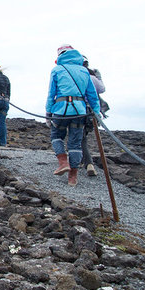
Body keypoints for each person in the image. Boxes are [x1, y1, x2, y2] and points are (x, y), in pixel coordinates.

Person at [46, 44, 101, 187]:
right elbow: (92, 95)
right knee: (75, 143)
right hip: (79, 111)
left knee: (56, 136)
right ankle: (73, 176)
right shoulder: (84, 71)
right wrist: (96, 112)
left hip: (61, 110)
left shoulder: (57, 70)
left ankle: (63, 162)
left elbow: (51, 93)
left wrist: (48, 112)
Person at [80, 55, 106, 176]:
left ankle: (88, 162)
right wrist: (98, 77)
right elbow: (101, 89)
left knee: (81, 137)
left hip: (77, 109)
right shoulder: (92, 77)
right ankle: (83, 160)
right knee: (83, 136)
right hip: (91, 111)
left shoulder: (77, 75)